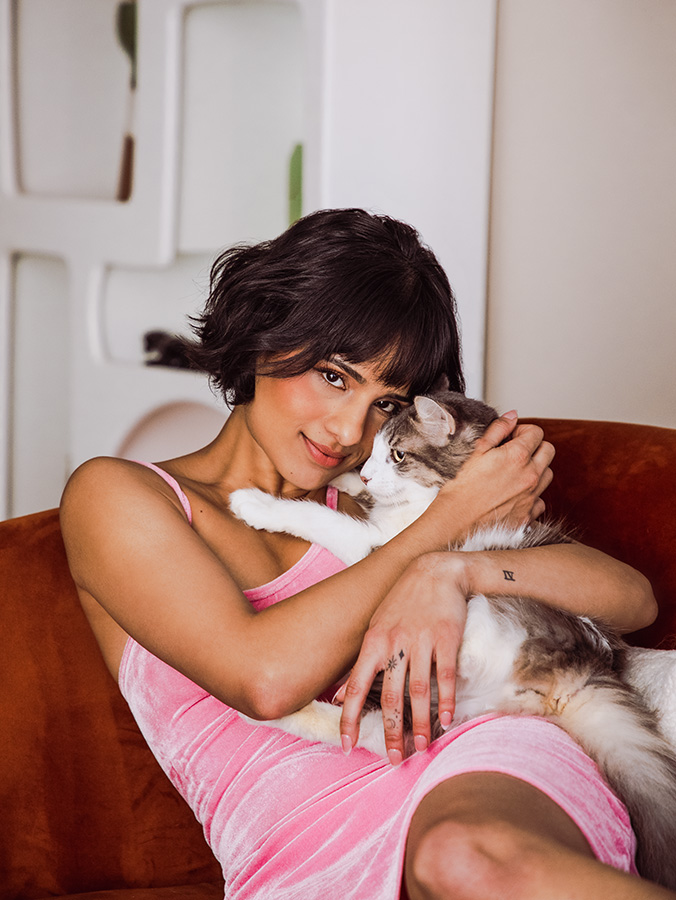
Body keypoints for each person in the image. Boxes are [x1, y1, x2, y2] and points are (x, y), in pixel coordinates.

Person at [60, 208, 670, 900]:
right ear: (265, 333)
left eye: (387, 405)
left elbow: (632, 599)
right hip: (292, 851)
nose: (349, 429)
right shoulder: (120, 496)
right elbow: (265, 679)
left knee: (464, 859)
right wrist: (445, 524)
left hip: (481, 773)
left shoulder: (371, 505)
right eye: (334, 376)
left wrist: (453, 567)